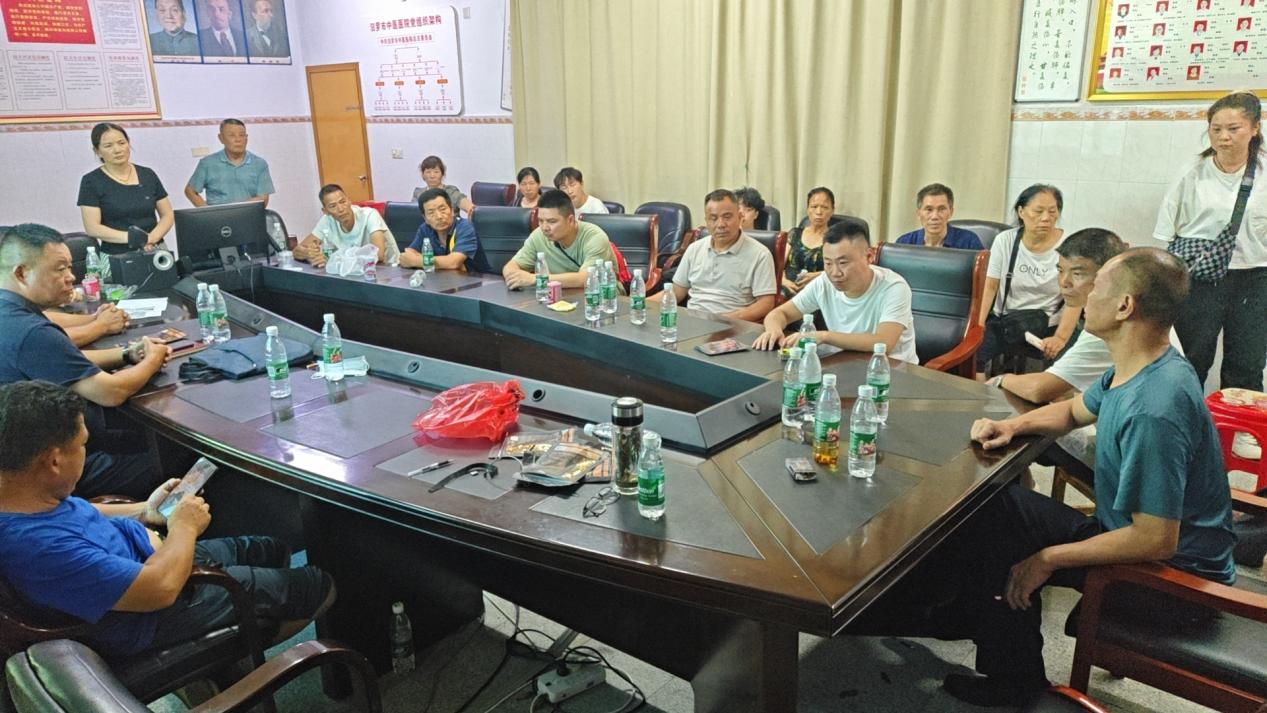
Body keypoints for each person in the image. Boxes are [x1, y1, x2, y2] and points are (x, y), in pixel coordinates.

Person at [920, 248, 1233, 706]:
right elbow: (1072, 411)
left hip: (1171, 584)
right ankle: (974, 612)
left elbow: (1155, 540)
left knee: (1008, 528)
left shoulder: (1155, 409)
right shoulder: (1140, 365)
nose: (1086, 294)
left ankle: (1014, 679)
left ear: (1125, 306)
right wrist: (1012, 426)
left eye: (1098, 284)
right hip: (1138, 543)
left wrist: (1048, 558)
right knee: (994, 503)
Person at [0, 380, 336, 657]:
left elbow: (82, 509)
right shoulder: (40, 549)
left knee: (270, 550)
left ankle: (250, 628)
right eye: (82, 445)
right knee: (319, 586)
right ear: (54, 461)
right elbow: (160, 589)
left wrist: (145, 511)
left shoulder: (25, 493)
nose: (85, 453)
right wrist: (184, 528)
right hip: (155, 612)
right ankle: (238, 664)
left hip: (151, 555)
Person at [0, 224, 169, 500]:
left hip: (23, 459)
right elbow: (111, 392)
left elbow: (59, 359)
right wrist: (153, 358)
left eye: (69, 267)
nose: (71, 277)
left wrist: (126, 354)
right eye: (60, 269)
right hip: (52, 469)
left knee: (142, 433)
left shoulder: (9, 312)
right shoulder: (30, 331)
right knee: (173, 455)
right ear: (21, 273)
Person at [1155, 91, 1267, 459]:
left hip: (1255, 278)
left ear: (1254, 128)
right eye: (1216, 129)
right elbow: (1166, 232)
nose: (1224, 137)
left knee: (1246, 363)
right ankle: (1182, 434)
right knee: (1192, 358)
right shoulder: (1193, 171)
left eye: (1234, 128)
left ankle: (1242, 439)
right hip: (1200, 279)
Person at [987, 229, 1127, 403]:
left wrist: (1001, 380)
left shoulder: (1107, 327)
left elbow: (1040, 389)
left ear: (1109, 274)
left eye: (1077, 274)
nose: (1064, 282)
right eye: (1060, 271)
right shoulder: (1106, 314)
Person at [753, 217, 918, 363]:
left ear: (869, 257)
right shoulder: (824, 283)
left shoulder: (893, 287)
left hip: (891, 371)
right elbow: (779, 314)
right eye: (828, 263)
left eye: (843, 263)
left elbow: (884, 342)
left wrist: (824, 336)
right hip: (844, 364)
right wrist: (773, 331)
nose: (834, 273)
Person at [975, 184, 1081, 376]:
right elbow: (990, 287)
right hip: (1005, 321)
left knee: (1066, 368)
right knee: (973, 355)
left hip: (1050, 324)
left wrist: (1060, 338)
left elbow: (1075, 299)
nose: (1046, 218)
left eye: (1052, 211)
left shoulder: (1071, 246)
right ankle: (982, 393)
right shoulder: (1005, 240)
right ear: (1021, 211)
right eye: (1038, 211)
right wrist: (978, 326)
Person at [671, 189, 776, 322]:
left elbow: (765, 304)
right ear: (706, 221)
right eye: (713, 218)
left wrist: (722, 320)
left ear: (740, 217)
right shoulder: (694, 249)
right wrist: (646, 303)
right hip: (693, 322)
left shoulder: (760, 254)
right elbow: (676, 292)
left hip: (732, 325)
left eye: (727, 217)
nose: (720, 225)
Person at [78, 123, 173, 255]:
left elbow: (167, 214)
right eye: (108, 146)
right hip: (117, 254)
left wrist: (152, 238)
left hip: (156, 249)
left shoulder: (148, 174)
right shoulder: (91, 181)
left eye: (121, 143)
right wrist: (135, 239)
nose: (117, 150)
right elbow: (92, 227)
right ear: (97, 151)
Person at [502, 189, 617, 290]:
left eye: (552, 221)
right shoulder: (539, 235)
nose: (545, 228)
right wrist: (513, 276)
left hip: (601, 298)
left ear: (570, 220)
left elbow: (585, 279)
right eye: (540, 221)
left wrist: (536, 279)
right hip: (559, 296)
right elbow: (511, 266)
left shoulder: (595, 237)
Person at [294, 185, 399, 268]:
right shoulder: (326, 221)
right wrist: (309, 254)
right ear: (325, 211)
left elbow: (378, 255)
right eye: (333, 206)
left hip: (387, 270)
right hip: (353, 272)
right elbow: (297, 250)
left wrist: (333, 260)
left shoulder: (370, 215)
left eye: (343, 202)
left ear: (349, 201)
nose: (341, 209)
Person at [183, 119, 275, 207]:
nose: (238, 140)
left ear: (246, 138)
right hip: (218, 216)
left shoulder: (259, 164)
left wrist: (237, 210)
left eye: (242, 135)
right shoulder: (207, 163)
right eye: (232, 135)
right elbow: (190, 191)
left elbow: (263, 199)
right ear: (221, 138)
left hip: (249, 214)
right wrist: (206, 211)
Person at [401, 188, 490, 273]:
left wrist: (417, 261)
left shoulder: (465, 227)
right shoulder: (425, 229)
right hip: (441, 279)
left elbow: (453, 263)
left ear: (452, 210)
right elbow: (407, 255)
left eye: (442, 209)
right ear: (425, 218)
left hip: (476, 280)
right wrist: (442, 263)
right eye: (431, 212)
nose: (439, 216)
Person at [895, 183, 985, 250]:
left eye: (941, 209)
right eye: (929, 209)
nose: (935, 216)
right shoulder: (904, 243)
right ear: (918, 214)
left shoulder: (969, 242)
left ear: (951, 212)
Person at [783, 186, 835, 299]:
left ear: (832, 211)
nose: (819, 212)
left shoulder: (835, 239)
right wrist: (783, 281)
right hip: (787, 291)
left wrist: (819, 276)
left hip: (818, 293)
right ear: (807, 209)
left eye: (825, 207)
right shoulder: (794, 234)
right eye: (814, 206)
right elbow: (777, 266)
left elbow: (841, 270)